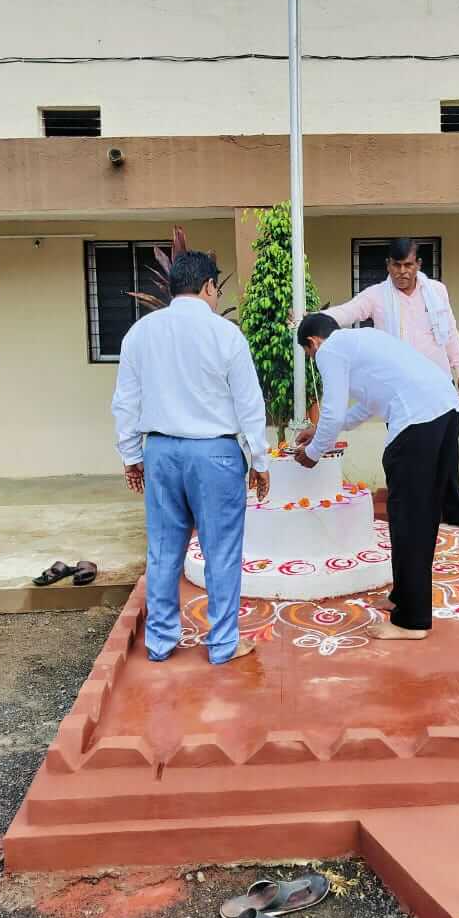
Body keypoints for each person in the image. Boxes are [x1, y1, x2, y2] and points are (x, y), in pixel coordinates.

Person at [112, 250, 270, 664]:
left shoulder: (140, 333)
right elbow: (249, 403)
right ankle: (222, 644)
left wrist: (131, 455)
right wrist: (259, 460)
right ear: (207, 286)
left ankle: (160, 642)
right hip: (216, 454)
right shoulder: (226, 334)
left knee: (164, 550)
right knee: (221, 552)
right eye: (216, 289)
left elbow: (125, 402)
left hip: (161, 452)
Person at [294, 313, 459, 641]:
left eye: (309, 354)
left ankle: (412, 621)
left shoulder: (330, 350)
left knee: (408, 519)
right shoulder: (365, 341)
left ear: (313, 342)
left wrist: (313, 453)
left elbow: (332, 412)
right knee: (421, 516)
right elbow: (366, 407)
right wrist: (320, 431)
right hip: (445, 412)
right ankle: (404, 597)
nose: (314, 360)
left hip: (417, 422)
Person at [324, 237, 459, 531]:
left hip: (439, 387)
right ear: (388, 265)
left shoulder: (436, 291)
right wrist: (314, 319)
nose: (402, 272)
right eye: (396, 265)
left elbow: (450, 333)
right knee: (410, 457)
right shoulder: (376, 296)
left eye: (408, 265)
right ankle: (418, 514)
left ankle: (455, 512)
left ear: (418, 264)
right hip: (402, 395)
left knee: (447, 453)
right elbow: (348, 312)